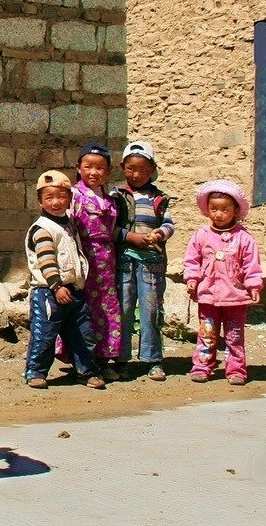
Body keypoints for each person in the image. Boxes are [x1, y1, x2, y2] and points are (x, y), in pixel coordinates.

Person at [24, 169, 106, 390]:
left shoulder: (67, 224)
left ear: (69, 198)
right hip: (49, 293)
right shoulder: (43, 229)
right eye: (49, 198)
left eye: (61, 197)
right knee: (45, 335)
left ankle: (86, 371)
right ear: (40, 201)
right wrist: (56, 286)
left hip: (74, 290)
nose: (56, 202)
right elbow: (46, 261)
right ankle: (35, 372)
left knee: (82, 334)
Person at [183, 180, 263, 385]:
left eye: (224, 209)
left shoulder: (244, 238)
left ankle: (236, 369)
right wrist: (192, 279)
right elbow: (192, 259)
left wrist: (254, 285)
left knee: (234, 336)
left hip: (235, 297)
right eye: (213, 209)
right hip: (208, 296)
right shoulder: (201, 235)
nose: (218, 214)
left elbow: (251, 264)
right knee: (207, 335)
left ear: (235, 210)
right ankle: (202, 366)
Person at [111, 141, 174, 382]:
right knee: (123, 309)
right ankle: (121, 359)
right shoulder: (116, 197)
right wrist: (131, 237)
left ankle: (153, 359)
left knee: (151, 310)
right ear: (122, 167)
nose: (137, 175)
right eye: (131, 168)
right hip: (124, 261)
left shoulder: (159, 199)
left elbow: (168, 224)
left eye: (143, 170)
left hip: (151, 263)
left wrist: (159, 234)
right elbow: (110, 229)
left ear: (153, 170)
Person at [70, 142, 122, 381]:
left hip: (107, 260)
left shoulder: (111, 200)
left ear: (108, 171)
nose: (94, 172)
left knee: (107, 308)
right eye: (88, 166)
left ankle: (104, 358)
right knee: (84, 310)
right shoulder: (73, 195)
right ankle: (82, 359)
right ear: (79, 168)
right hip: (83, 258)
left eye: (100, 168)